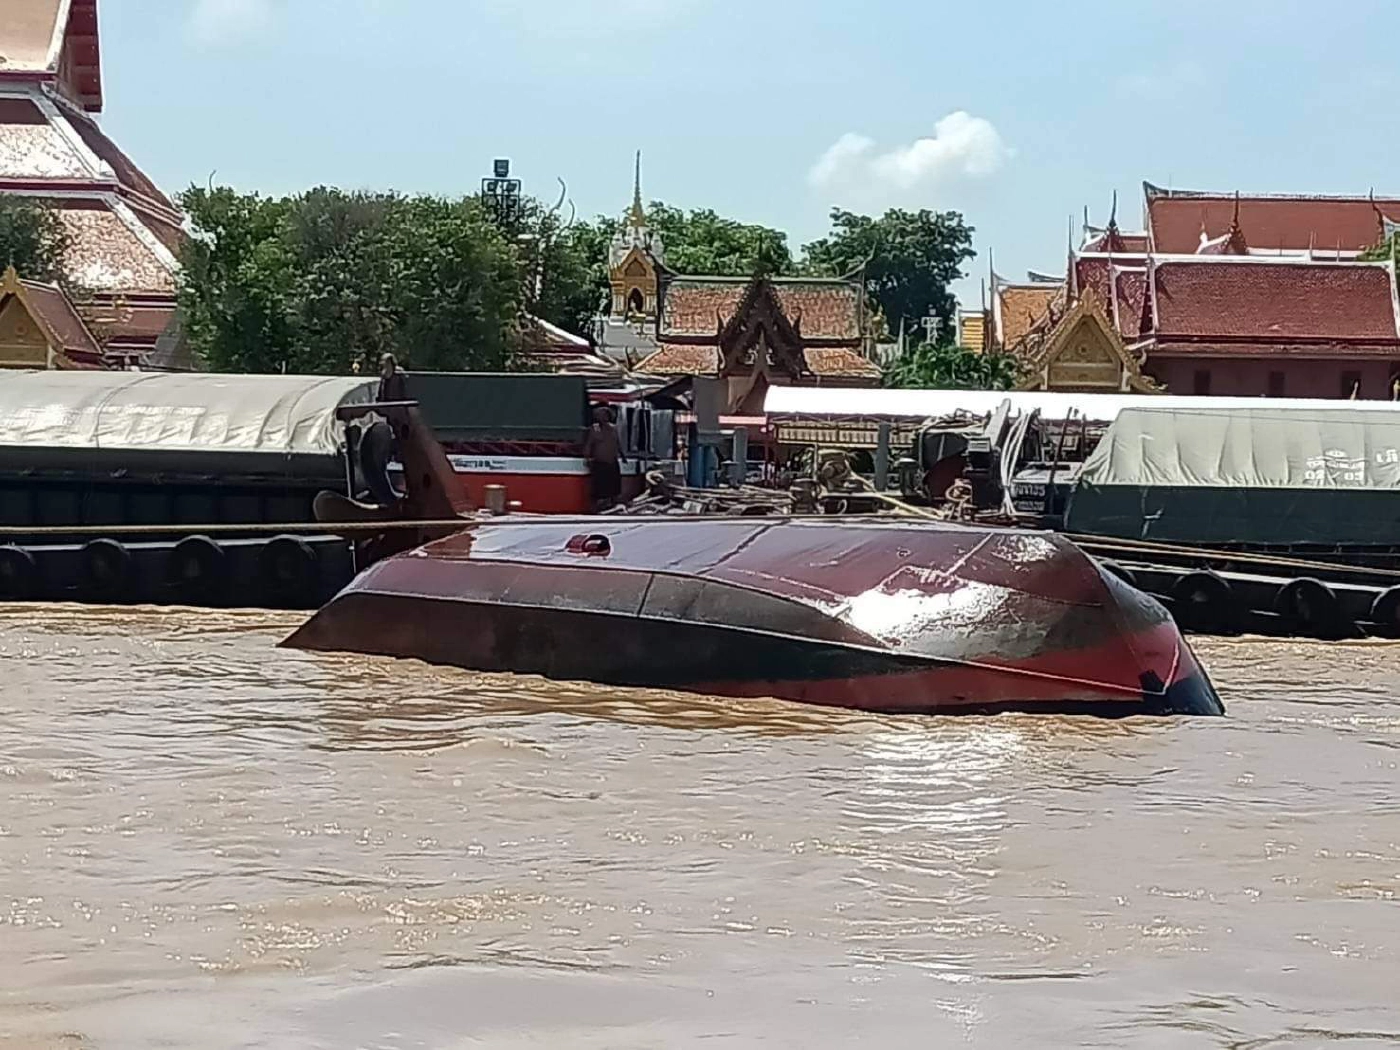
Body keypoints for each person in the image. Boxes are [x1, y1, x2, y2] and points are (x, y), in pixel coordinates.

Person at [583, 405, 623, 511]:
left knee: (613, 485)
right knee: (600, 486)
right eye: (599, 415)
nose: (602, 418)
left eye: (604, 415)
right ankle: (599, 505)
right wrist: (587, 458)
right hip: (600, 462)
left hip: (612, 461)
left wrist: (622, 456)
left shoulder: (613, 428)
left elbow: (617, 443)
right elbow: (589, 444)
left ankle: (612, 504)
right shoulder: (594, 429)